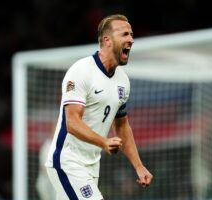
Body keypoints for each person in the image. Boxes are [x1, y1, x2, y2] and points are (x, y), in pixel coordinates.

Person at [45, 14, 153, 200]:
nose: (131, 39)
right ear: (107, 40)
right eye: (125, 34)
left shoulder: (123, 81)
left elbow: (121, 126)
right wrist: (103, 142)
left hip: (92, 165)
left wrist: (138, 165)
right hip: (67, 161)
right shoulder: (81, 71)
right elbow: (72, 122)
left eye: (132, 34)